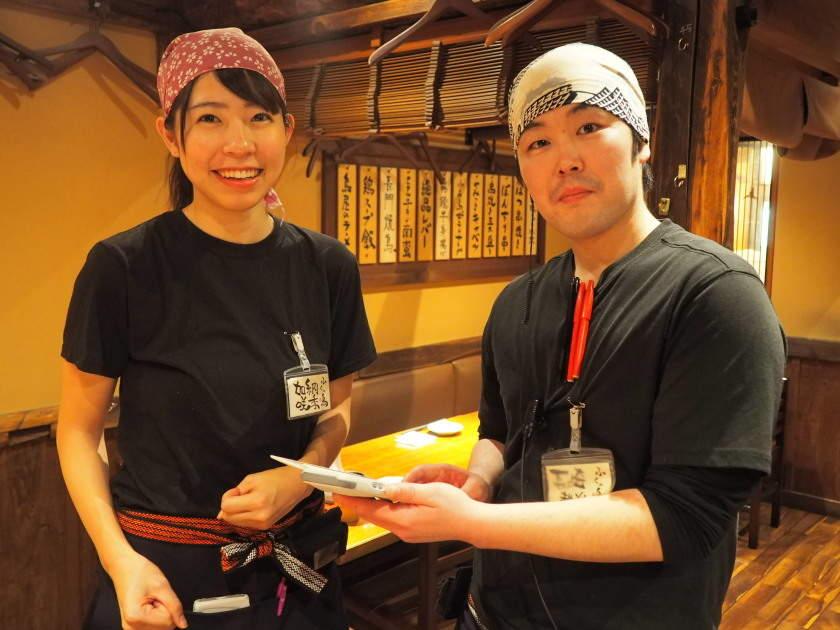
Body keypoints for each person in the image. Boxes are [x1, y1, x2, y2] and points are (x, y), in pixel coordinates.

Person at [334, 43, 786, 630]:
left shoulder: (715, 293)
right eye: (537, 142)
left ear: (642, 143)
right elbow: (498, 433)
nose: (564, 160)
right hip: (492, 608)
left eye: (590, 126)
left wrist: (471, 522)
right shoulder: (517, 301)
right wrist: (476, 483)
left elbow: (686, 516)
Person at [57, 27, 376, 630]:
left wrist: (298, 477)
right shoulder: (124, 267)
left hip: (298, 570)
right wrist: (119, 560)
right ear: (170, 136)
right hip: (162, 579)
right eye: (209, 119)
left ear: (286, 128)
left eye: (259, 116)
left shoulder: (327, 266)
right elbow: (77, 431)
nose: (239, 142)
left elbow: (337, 409)